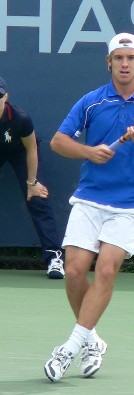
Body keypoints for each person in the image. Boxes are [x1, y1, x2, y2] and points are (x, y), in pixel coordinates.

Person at [44, 32, 134, 381]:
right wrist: (89, 151)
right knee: (73, 271)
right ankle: (92, 340)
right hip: (89, 199)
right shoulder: (91, 102)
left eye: (131, 58)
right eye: (119, 58)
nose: (125, 64)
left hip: (129, 207)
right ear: (110, 63)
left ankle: (69, 346)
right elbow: (57, 142)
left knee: (106, 269)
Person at [0, 77, 65, 279]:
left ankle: (54, 258)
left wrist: (32, 183)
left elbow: (31, 148)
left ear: (6, 96)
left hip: (22, 152)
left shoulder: (20, 118)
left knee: (37, 198)